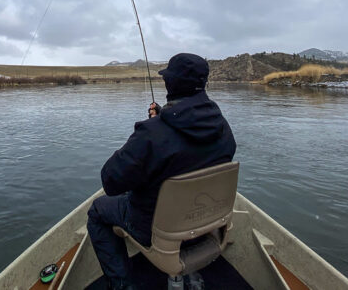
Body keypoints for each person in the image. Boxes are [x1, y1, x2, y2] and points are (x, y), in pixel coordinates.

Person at [87, 53, 237, 290]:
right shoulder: (223, 127)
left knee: (97, 211)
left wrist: (149, 130)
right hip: (208, 224)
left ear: (170, 83)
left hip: (153, 228)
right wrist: (161, 119)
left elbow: (111, 181)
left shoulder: (151, 135)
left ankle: (122, 286)